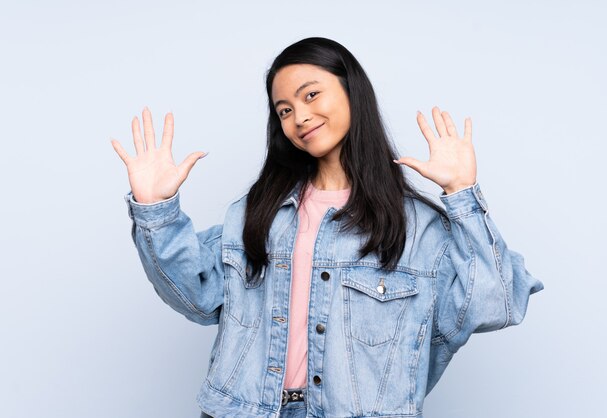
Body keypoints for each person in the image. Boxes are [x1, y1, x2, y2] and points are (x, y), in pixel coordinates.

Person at [111, 37, 544, 418]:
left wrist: (463, 194)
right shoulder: (257, 211)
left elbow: (495, 304)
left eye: (311, 95)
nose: (300, 116)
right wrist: (156, 209)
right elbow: (199, 298)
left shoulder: (417, 228)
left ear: (352, 92)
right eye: (285, 109)